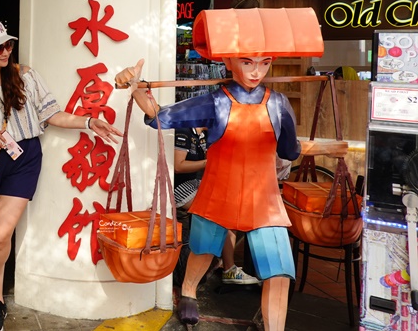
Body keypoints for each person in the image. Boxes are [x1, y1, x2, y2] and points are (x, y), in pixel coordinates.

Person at [0, 19, 122, 331]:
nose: (6, 51)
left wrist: (89, 122)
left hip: (23, 159)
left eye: (8, 45)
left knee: (1, 234)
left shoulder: (25, 77)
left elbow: (52, 114)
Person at [116, 55, 300, 331]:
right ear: (228, 63)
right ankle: (188, 291)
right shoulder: (215, 101)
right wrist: (137, 86)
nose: (256, 71)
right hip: (219, 189)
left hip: (264, 196)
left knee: (279, 269)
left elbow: (289, 150)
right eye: (248, 62)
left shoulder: (278, 103)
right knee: (203, 249)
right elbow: (160, 116)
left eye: (264, 63)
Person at [173, 127, 259, 286]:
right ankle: (228, 268)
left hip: (195, 183)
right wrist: (208, 162)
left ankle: (226, 264)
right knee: (221, 214)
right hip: (177, 187)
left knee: (231, 209)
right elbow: (178, 166)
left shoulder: (204, 134)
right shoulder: (184, 132)